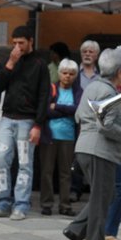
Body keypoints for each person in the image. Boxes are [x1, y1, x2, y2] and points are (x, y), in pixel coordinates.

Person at [63, 48, 121, 240]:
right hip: (99, 150)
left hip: (86, 147)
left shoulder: (92, 86)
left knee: (104, 195)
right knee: (102, 197)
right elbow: (105, 127)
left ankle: (76, 230)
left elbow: (78, 116)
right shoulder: (108, 92)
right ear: (119, 71)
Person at [0, 24, 49, 221]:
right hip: (7, 118)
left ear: (30, 42)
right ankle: (2, 202)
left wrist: (38, 124)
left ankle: (21, 204)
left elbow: (44, 96)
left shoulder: (40, 64)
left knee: (25, 163)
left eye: (21, 43)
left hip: (27, 121)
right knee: (1, 161)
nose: (17, 47)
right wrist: (9, 64)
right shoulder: (10, 61)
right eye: (14, 43)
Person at [38, 58, 80, 216]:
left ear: (75, 75)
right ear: (59, 73)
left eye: (71, 74)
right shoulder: (51, 89)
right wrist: (66, 110)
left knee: (66, 173)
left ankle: (65, 205)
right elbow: (46, 111)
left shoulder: (77, 91)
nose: (67, 76)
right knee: (47, 171)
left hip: (68, 136)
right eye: (64, 73)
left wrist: (58, 107)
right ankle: (46, 203)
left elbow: (77, 110)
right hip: (50, 135)